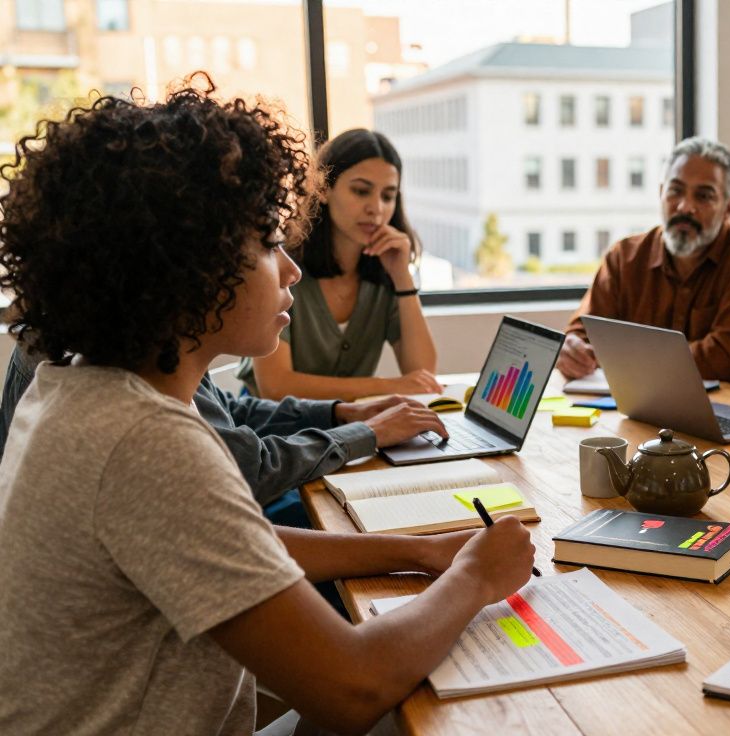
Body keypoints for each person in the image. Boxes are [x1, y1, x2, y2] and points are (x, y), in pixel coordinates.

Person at [0, 80, 534, 734]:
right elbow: (352, 686)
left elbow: (237, 543)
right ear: (187, 265)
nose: (291, 270)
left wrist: (421, 553)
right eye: (266, 243)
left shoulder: (77, 385)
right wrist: (478, 575)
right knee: (436, 706)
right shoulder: (142, 440)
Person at [0, 342, 447, 509]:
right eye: (268, 246)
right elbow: (245, 469)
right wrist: (366, 435)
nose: (291, 270)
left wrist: (341, 413)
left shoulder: (142, 352)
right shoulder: (139, 415)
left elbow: (228, 412)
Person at [558, 137, 730, 385]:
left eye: (704, 196)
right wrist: (571, 350)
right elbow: (582, 333)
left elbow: (728, 357)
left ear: (728, 208)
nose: (685, 207)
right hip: (636, 406)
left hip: (724, 410)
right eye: (675, 191)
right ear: (661, 192)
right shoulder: (624, 257)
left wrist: (622, 359)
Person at [239, 128, 440, 401]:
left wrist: (402, 277)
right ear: (323, 189)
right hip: (271, 434)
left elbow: (422, 376)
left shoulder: (386, 273)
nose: (376, 209)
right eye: (361, 191)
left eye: (388, 196)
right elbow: (275, 386)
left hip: (348, 434)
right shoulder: (283, 270)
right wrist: (388, 386)